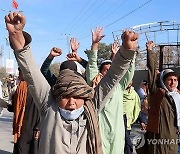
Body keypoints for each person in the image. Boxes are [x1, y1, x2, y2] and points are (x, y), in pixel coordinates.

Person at [5, 12, 138, 154]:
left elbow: (112, 78)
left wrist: (126, 52)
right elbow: (31, 72)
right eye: (66, 97)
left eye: (77, 96)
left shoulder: (91, 107)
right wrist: (16, 36)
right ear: (57, 96)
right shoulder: (48, 105)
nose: (71, 103)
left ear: (85, 96)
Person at [86, 27, 138, 153]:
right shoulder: (95, 83)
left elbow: (129, 69)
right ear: (101, 71)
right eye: (106, 70)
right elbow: (92, 64)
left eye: (111, 69)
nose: (109, 72)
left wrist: (132, 50)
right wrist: (95, 44)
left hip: (117, 134)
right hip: (99, 131)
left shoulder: (120, 85)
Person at [137, 41, 180, 154]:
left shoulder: (178, 95)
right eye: (169, 80)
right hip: (158, 137)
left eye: (175, 80)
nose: (173, 83)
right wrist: (150, 51)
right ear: (163, 81)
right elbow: (151, 71)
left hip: (173, 138)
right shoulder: (158, 93)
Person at [123, 80, 141, 154]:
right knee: (128, 144)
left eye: (131, 80)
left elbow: (137, 108)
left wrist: (133, 120)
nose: (129, 82)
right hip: (119, 121)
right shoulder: (118, 92)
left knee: (126, 143)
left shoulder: (134, 94)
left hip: (128, 123)